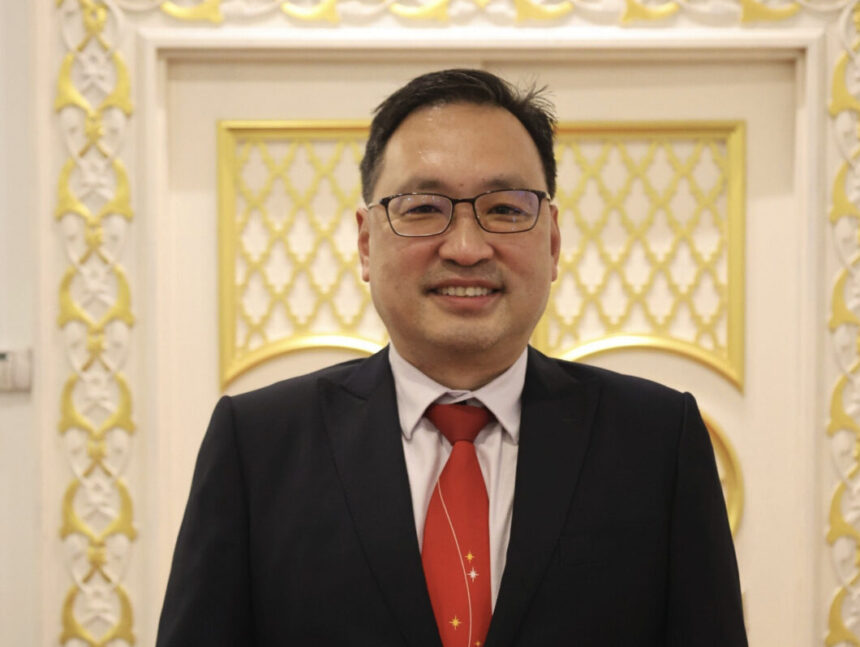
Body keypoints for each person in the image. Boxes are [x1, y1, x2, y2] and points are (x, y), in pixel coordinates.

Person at [156, 69, 747, 646]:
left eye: (506, 209)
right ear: (365, 242)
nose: (466, 248)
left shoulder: (656, 441)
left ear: (552, 240)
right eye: (423, 208)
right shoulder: (258, 444)